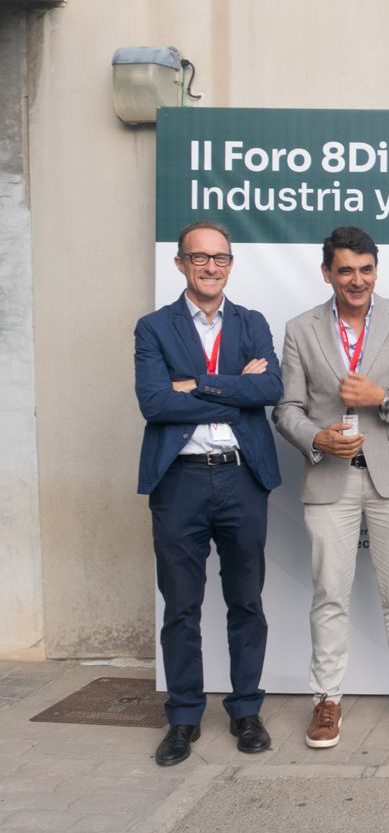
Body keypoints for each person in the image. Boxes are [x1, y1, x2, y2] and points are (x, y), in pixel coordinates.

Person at [273, 226, 389, 749]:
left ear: (375, 270)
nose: (357, 280)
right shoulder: (300, 329)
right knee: (329, 594)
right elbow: (286, 409)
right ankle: (326, 700)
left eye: (366, 269)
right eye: (345, 270)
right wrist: (316, 438)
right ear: (327, 273)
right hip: (328, 476)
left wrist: (381, 395)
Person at [134, 220, 281, 766]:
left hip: (242, 477)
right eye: (199, 258)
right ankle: (184, 718)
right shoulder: (153, 328)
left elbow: (269, 389)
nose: (211, 266)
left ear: (230, 263)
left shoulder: (252, 322)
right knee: (181, 606)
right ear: (180, 264)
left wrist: (194, 384)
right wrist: (233, 390)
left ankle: (246, 710)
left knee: (246, 600)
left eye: (220, 257)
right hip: (181, 480)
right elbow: (155, 404)